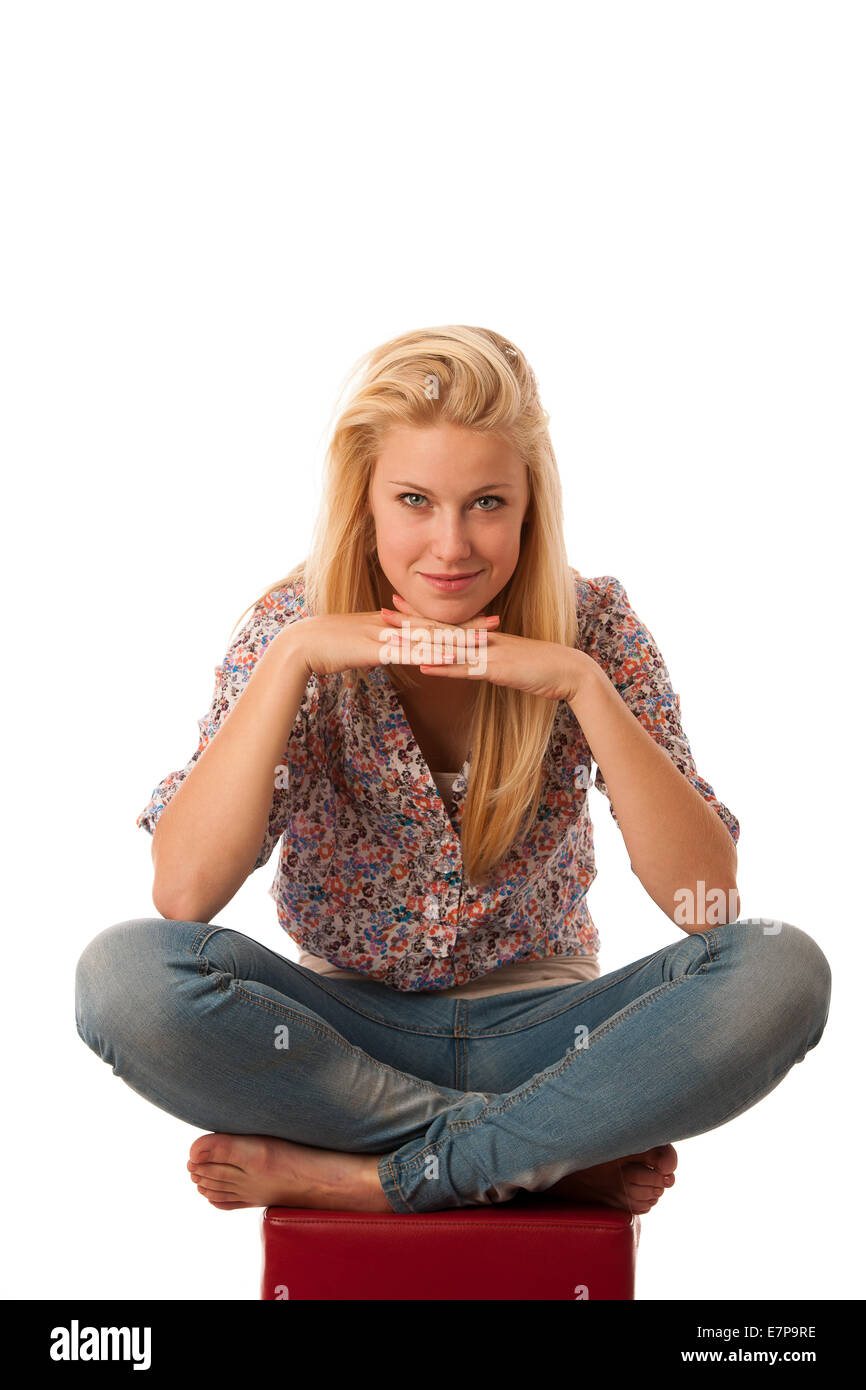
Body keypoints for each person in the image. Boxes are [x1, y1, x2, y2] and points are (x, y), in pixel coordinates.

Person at [75, 324, 831, 1217]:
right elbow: (185, 895)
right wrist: (292, 660)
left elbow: (704, 900)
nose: (451, 546)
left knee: (783, 969)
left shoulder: (596, 631)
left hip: (552, 1037)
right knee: (122, 977)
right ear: (365, 499)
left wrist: (581, 685)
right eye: (414, 500)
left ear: (527, 507)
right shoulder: (294, 630)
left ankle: (385, 1179)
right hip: (342, 1042)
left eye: (485, 504)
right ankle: (536, 1152)